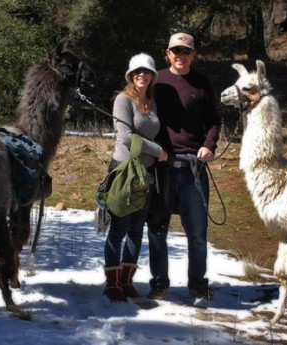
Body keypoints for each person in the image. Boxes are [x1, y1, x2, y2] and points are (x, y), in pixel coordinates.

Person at [147, 33, 221, 302]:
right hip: (162, 168)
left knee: (198, 233)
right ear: (167, 53)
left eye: (185, 51)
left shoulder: (202, 83)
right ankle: (159, 283)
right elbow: (142, 117)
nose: (180, 55)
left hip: (194, 168)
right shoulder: (155, 80)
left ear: (193, 54)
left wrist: (209, 145)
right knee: (157, 230)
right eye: (175, 50)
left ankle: (198, 284)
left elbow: (214, 120)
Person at [102, 53, 168, 302]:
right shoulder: (123, 100)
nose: (142, 75)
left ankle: (127, 281)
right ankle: (112, 284)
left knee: (137, 229)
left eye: (147, 71)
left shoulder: (152, 102)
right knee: (119, 227)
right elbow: (127, 136)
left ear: (152, 76)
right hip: (125, 170)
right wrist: (158, 151)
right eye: (137, 72)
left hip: (146, 174)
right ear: (131, 75)